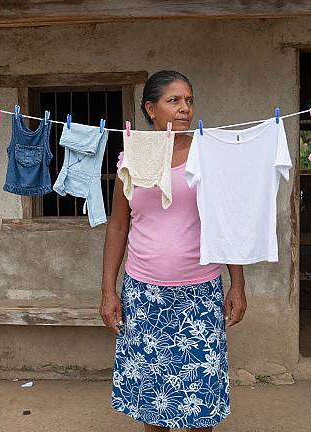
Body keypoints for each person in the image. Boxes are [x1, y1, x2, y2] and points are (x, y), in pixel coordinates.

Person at [100, 70, 247, 431]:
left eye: (189, 100)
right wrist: (107, 291)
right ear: (151, 109)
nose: (185, 109)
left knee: (201, 404)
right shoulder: (132, 157)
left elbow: (225, 222)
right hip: (144, 295)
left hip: (199, 294)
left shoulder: (207, 154)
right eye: (174, 100)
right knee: (153, 403)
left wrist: (237, 285)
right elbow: (119, 226)